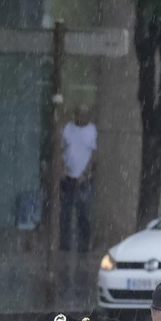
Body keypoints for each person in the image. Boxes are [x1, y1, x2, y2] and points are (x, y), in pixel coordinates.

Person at [60, 107, 98, 253]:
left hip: (83, 179)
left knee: (83, 213)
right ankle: (64, 244)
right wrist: (62, 168)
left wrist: (86, 173)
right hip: (68, 177)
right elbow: (61, 149)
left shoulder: (91, 130)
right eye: (79, 114)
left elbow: (94, 155)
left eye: (84, 114)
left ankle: (84, 244)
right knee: (66, 213)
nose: (81, 117)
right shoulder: (68, 129)